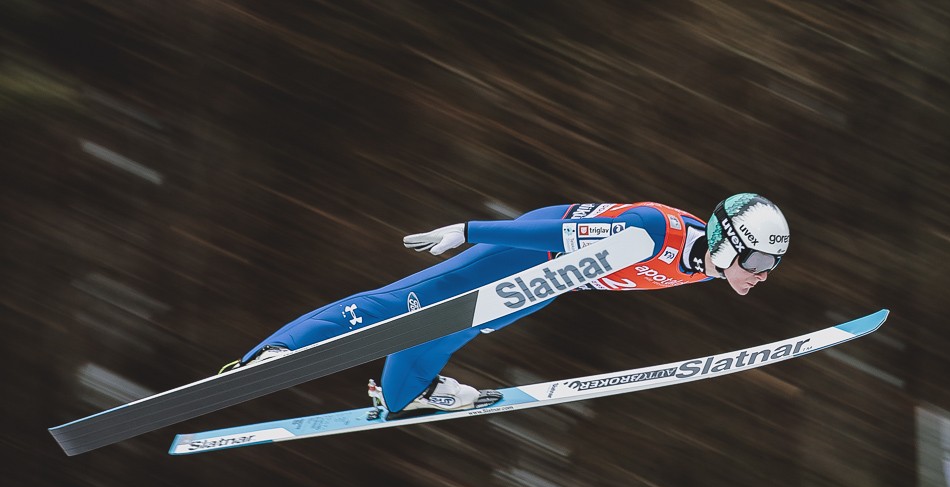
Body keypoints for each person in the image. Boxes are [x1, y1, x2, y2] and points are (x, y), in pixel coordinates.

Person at [222, 193, 789, 418]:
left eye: (772, 265)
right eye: (760, 261)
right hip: (527, 252)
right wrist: (470, 231)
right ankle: (276, 353)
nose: (763, 275)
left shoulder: (706, 263)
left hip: (552, 283)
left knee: (450, 328)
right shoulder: (651, 233)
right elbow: (553, 230)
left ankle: (405, 392)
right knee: (405, 305)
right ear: (728, 242)